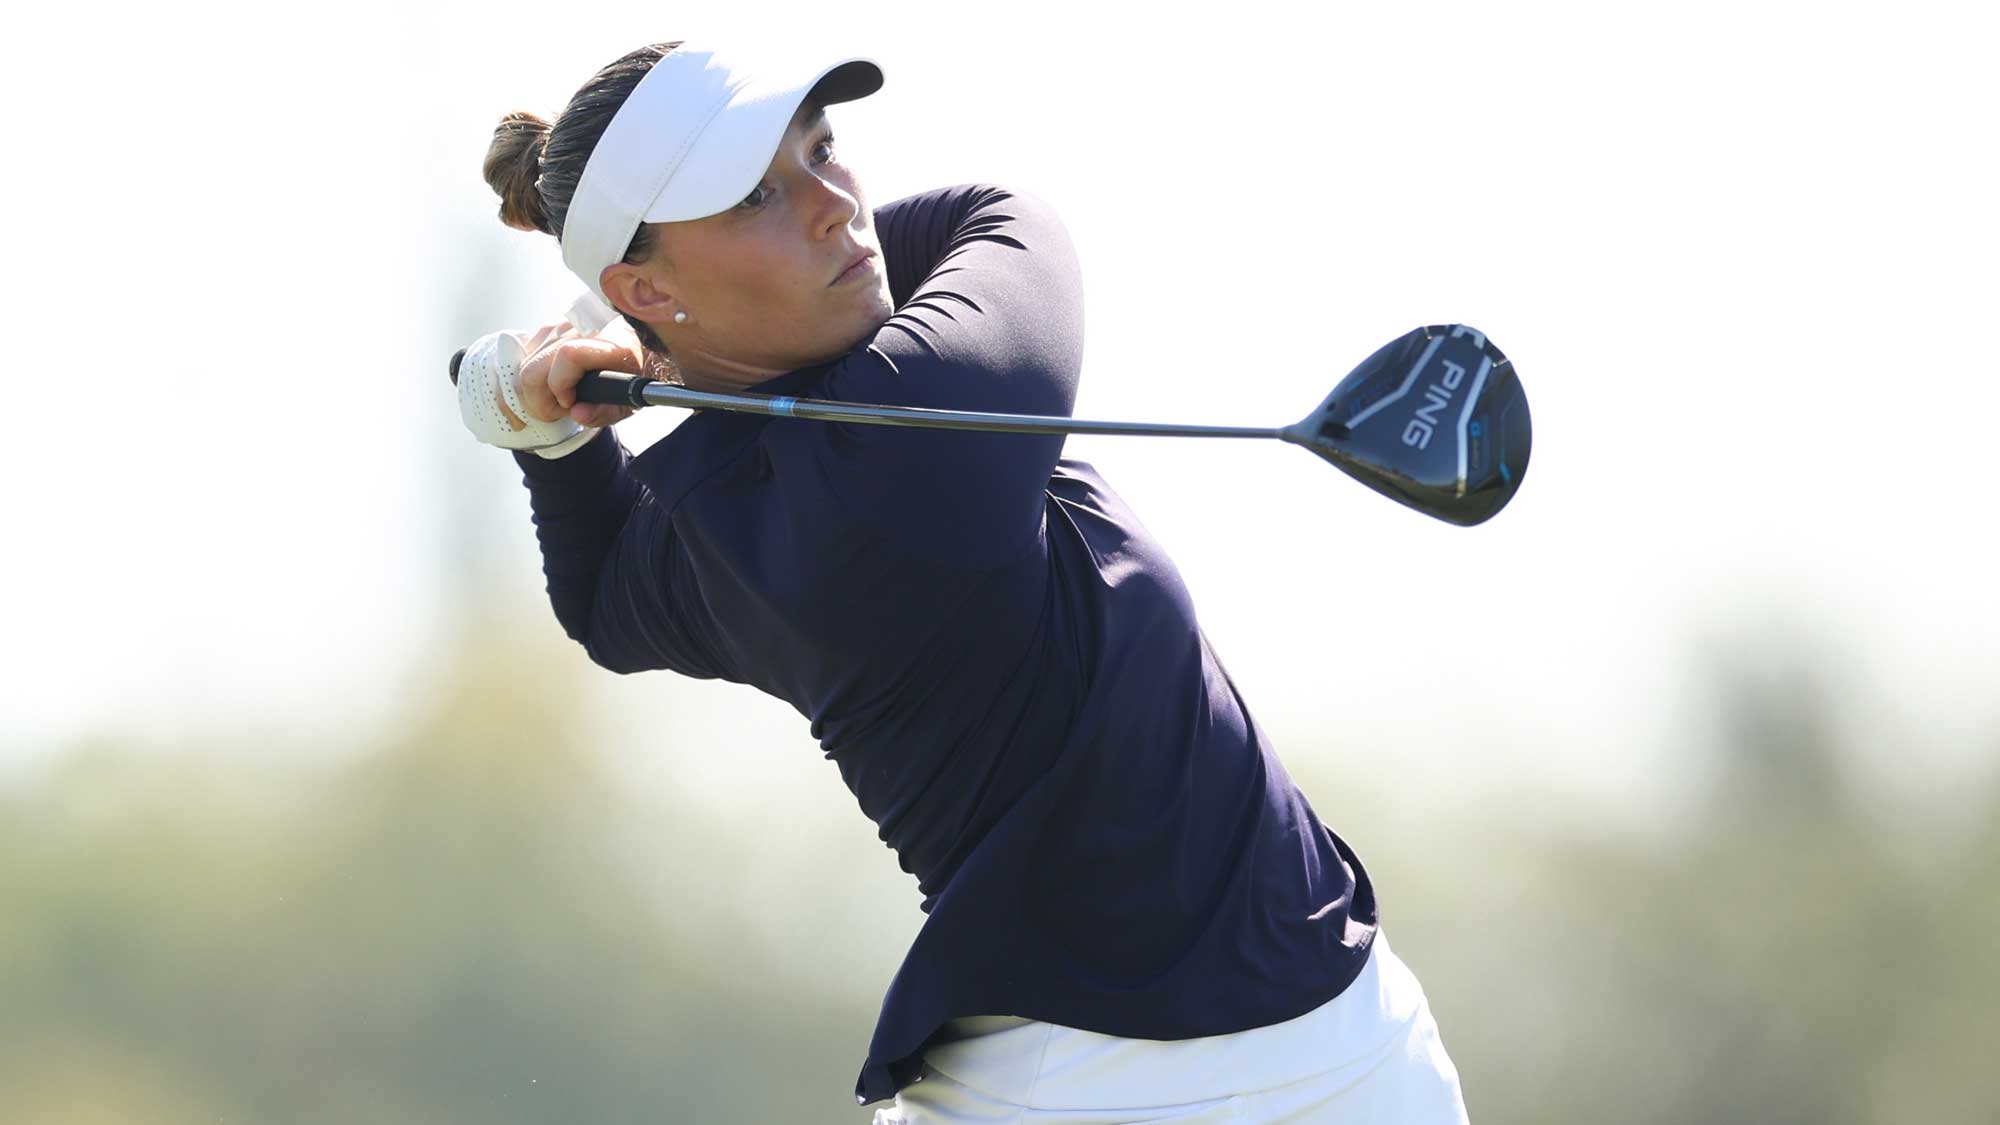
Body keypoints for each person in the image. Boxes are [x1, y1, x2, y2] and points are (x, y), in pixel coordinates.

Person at [459, 38, 1470, 1124]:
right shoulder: (910, 429)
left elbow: (603, 598)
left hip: (1340, 1043)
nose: (835, 206)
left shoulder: (709, 518)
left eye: (823, 149)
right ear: (640, 280)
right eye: (756, 195)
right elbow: (1002, 217)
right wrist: (622, 358)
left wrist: (541, 420)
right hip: (1114, 1097)